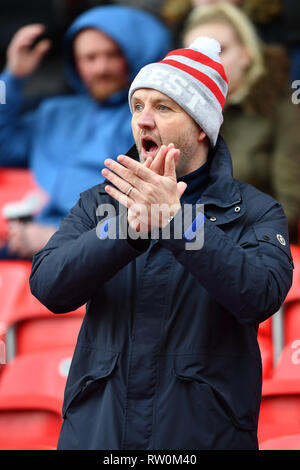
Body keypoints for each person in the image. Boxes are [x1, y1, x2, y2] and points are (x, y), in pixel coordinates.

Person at [30, 36, 293, 450]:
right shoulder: (101, 201)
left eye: (163, 107)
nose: (143, 121)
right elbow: (48, 285)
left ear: (202, 128)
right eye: (138, 106)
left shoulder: (257, 211)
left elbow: (259, 295)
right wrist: (128, 230)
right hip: (98, 436)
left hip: (203, 437)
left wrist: (177, 224)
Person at [0, 5, 170, 259]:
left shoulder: (151, 121)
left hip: (102, 258)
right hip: (27, 249)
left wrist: (54, 237)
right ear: (75, 63)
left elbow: (155, 218)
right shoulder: (54, 112)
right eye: (89, 58)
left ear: (136, 54)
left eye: (112, 55)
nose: (101, 68)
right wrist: (11, 78)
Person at [182, 2, 300, 244]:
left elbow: (291, 208)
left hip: (252, 250)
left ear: (246, 54)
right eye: (196, 55)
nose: (208, 63)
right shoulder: (178, 113)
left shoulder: (284, 106)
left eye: (220, 49)